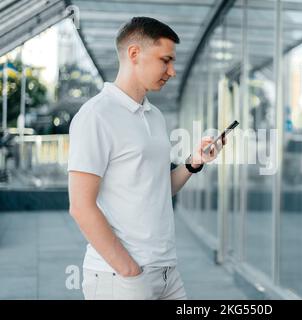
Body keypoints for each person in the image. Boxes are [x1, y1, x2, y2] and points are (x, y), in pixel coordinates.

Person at [67, 16, 225, 300]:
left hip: (167, 273)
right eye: (165, 60)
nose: (172, 71)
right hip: (121, 277)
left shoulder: (154, 116)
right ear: (134, 54)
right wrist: (129, 271)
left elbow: (158, 187)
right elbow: (81, 207)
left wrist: (194, 162)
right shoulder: (96, 116)